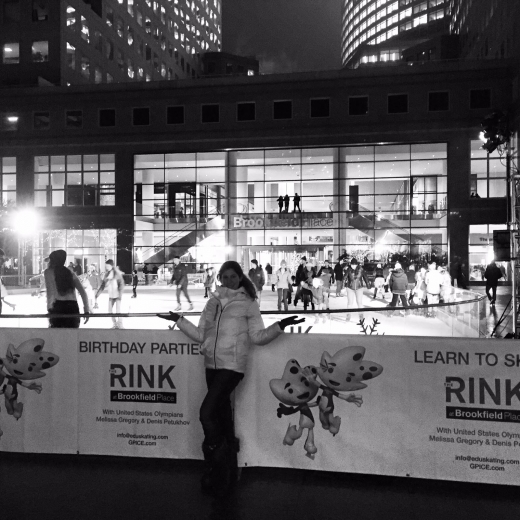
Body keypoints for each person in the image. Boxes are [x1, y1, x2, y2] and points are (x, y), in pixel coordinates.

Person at [157, 261, 304, 497]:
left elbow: (257, 336)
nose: (228, 281)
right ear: (220, 279)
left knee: (206, 413)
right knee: (222, 416)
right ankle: (226, 472)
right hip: (211, 366)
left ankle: (217, 462)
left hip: (232, 366)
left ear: (239, 277)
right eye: (224, 277)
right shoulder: (212, 302)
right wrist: (179, 320)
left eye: (232, 277)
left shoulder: (248, 303)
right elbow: (200, 334)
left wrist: (280, 325)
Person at [44, 249, 90, 328]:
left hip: (58, 307)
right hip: (73, 307)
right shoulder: (70, 273)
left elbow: (50, 292)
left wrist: (49, 309)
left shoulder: (48, 272)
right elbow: (83, 292)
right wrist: (86, 310)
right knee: (72, 337)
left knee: (57, 337)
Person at [95, 259, 125, 329]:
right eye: (106, 266)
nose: (106, 267)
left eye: (108, 266)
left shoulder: (117, 274)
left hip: (117, 296)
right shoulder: (107, 275)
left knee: (118, 311)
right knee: (110, 311)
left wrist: (120, 295)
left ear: (112, 266)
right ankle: (115, 324)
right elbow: (103, 285)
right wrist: (97, 294)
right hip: (111, 296)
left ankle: (120, 324)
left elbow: (121, 284)